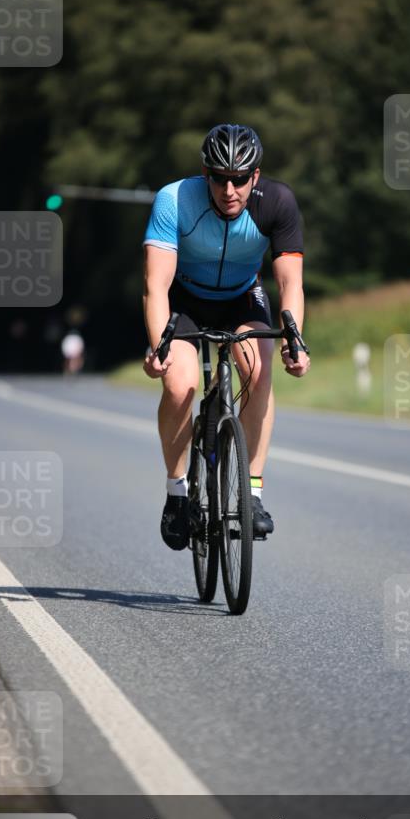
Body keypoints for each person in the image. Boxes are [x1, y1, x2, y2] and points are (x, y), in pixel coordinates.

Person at [142, 123, 310, 551]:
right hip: (185, 298)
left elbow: (291, 284)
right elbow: (155, 286)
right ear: (205, 174)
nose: (229, 189)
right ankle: (178, 493)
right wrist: (158, 345)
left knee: (257, 371)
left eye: (240, 178)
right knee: (181, 387)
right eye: (219, 177)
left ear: (256, 175)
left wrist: (296, 341)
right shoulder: (174, 199)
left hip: (241, 297)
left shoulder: (277, 201)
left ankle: (252, 492)